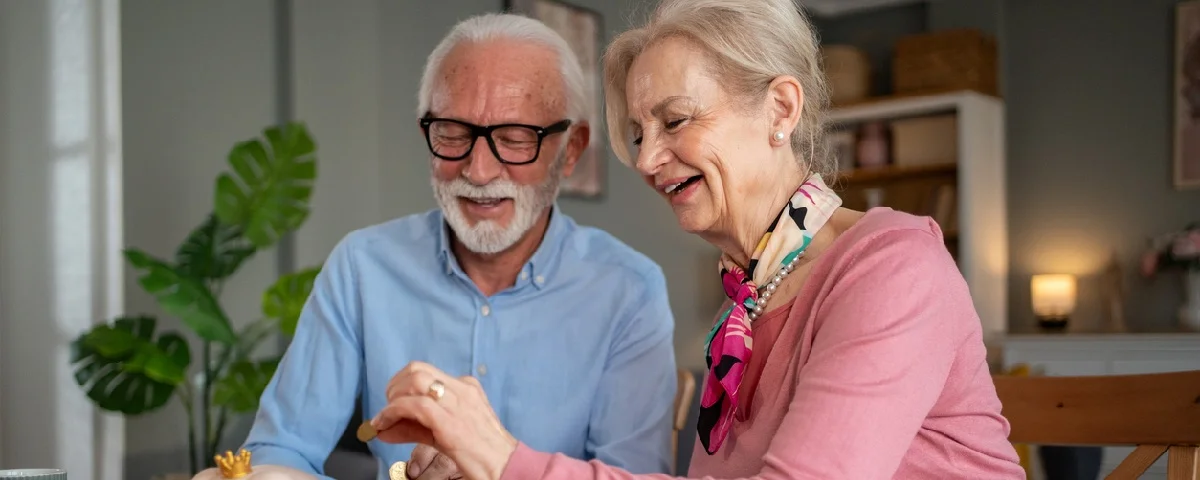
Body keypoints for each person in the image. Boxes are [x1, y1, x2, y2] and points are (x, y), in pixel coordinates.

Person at [367, 0, 1027, 479]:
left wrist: (504, 460)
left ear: (781, 109)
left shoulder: (891, 269)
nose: (649, 158)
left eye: (675, 120)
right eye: (638, 133)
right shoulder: (744, 310)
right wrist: (490, 467)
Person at [192, 12, 678, 480]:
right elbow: (282, 449)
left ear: (570, 150)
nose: (479, 171)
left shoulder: (628, 290)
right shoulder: (363, 268)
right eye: (453, 133)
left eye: (513, 138)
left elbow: (631, 478)